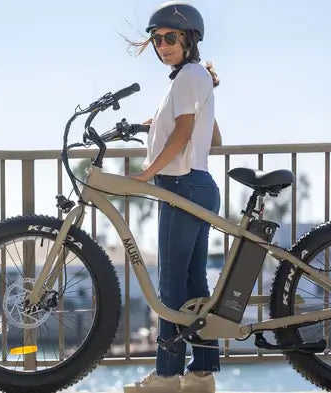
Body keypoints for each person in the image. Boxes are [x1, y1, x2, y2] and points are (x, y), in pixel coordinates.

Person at [125, 2, 221, 393]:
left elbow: (183, 134)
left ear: (188, 40)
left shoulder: (187, 78)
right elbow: (212, 138)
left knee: (170, 287)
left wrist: (148, 172)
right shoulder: (193, 78)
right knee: (194, 284)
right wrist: (157, 124)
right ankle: (202, 373)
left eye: (170, 38)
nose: (162, 45)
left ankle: (166, 375)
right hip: (200, 185)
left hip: (180, 185)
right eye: (157, 39)